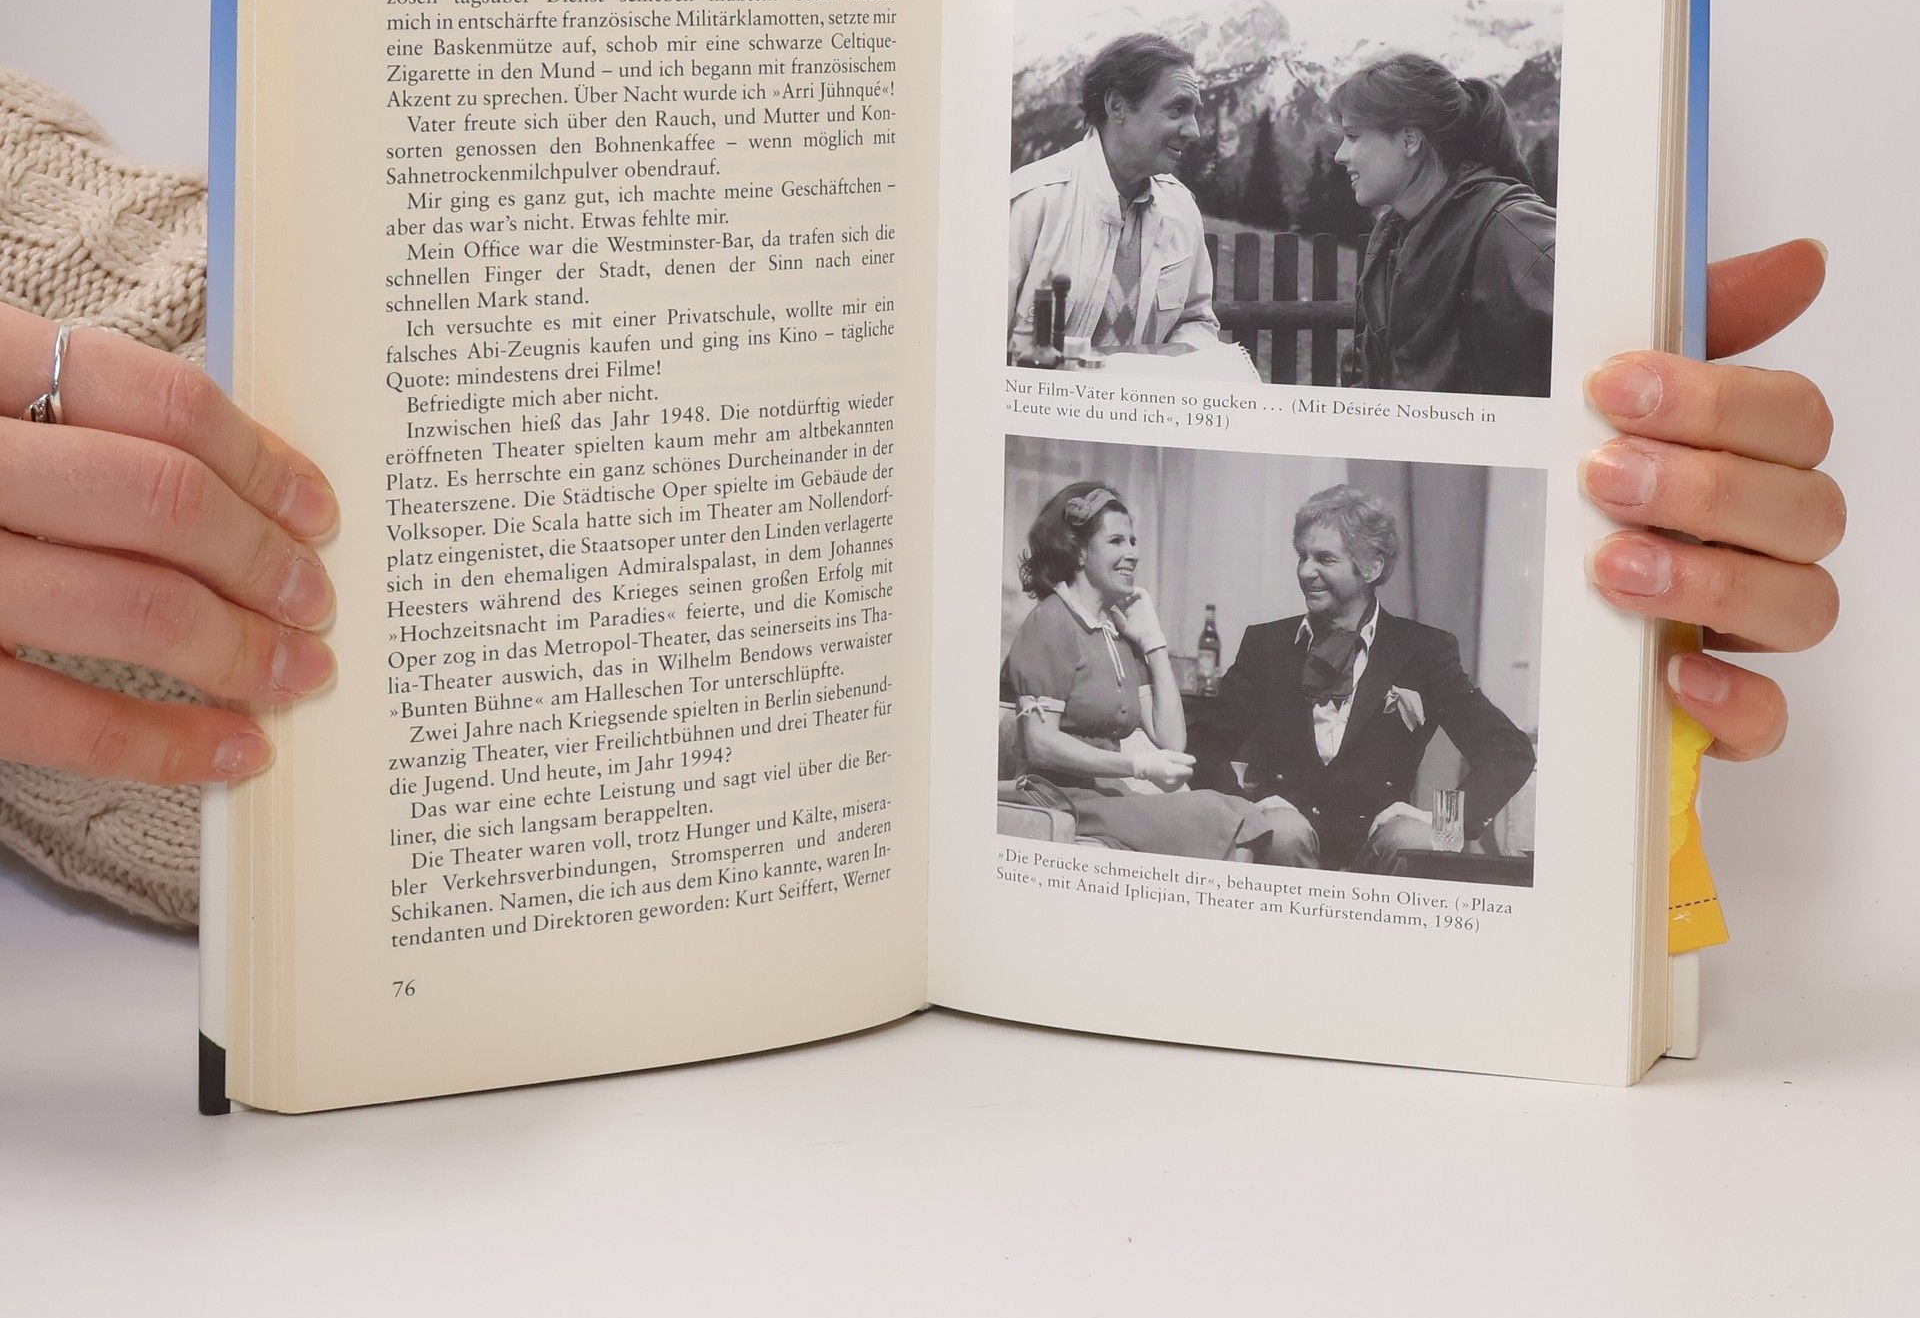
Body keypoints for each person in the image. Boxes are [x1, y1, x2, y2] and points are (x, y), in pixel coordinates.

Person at [0, 244, 1839, 785]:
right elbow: (1127, 743)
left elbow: (1475, 751)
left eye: (1324, 558)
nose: (1302, 576)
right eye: (1122, 542)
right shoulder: (1128, 634)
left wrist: (1595, 752)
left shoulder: (1387, 643)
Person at [1190, 485, 1537, 873]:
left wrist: (1446, 820)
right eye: (1302, 556)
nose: (1305, 571)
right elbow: (1204, 743)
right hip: (1285, 847)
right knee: (1281, 832)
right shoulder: (1267, 644)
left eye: (1324, 558)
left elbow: (1508, 750)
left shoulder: (1423, 650)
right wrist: (1246, 808)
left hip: (1379, 848)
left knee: (1411, 839)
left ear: (1371, 567)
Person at [1003, 481, 1285, 860]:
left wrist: (1153, 642)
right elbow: (1040, 743)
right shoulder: (1051, 622)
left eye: (1133, 541)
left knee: (1241, 817)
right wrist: (1136, 766)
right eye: (1116, 541)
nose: (1132, 553)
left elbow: (1172, 740)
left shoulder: (1117, 634)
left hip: (1105, 795)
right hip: (1058, 797)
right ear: (1080, 552)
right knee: (1232, 820)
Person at [1329, 51, 1556, 397]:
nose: (1340, 155)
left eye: (1353, 136)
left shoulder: (1512, 230)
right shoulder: (1391, 239)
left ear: (1409, 140)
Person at [1007, 32, 1220, 362]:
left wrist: (1166, 363)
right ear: (1116, 106)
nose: (1194, 131)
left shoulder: (1181, 208)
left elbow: (1196, 321)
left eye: (1194, 113)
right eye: (1178, 109)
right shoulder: (1033, 201)